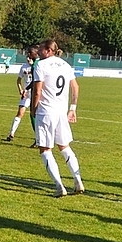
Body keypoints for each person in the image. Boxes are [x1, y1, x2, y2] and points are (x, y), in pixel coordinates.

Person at [31, 39, 83, 197]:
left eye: (40, 49)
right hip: (61, 112)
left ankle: (59, 186)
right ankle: (78, 180)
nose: (38, 51)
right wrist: (72, 108)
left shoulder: (40, 65)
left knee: (45, 150)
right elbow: (75, 87)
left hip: (46, 112)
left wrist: (33, 109)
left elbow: (37, 91)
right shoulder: (65, 65)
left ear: (48, 50)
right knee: (65, 147)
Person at [4, 46, 39, 142]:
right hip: (26, 94)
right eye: (27, 56)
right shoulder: (23, 67)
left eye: (29, 56)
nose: (28, 58)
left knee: (35, 116)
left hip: (36, 93)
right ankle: (11, 134)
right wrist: (21, 90)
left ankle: (38, 137)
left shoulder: (37, 65)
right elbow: (18, 80)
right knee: (20, 113)